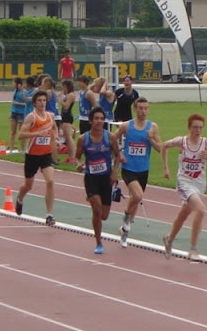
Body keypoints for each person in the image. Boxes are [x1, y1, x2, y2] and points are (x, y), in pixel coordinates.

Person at [161, 113, 207, 261]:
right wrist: (166, 168)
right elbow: (164, 146)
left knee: (184, 215)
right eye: (195, 127)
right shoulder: (181, 142)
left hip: (199, 183)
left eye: (200, 127)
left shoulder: (206, 143)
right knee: (200, 210)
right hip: (184, 182)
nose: (198, 130)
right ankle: (193, 248)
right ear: (189, 127)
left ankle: (169, 240)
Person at [74, 106, 124, 254]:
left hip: (106, 178)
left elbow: (117, 156)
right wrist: (78, 165)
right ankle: (99, 242)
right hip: (91, 178)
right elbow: (76, 157)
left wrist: (115, 172)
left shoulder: (110, 137)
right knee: (96, 209)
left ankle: (94, 201)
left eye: (102, 119)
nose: (99, 121)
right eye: (96, 118)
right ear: (91, 121)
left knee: (104, 215)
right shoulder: (84, 139)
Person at [113, 97, 161, 248]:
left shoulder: (152, 127)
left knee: (134, 200)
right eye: (140, 108)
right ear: (135, 109)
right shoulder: (127, 126)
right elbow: (112, 139)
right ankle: (126, 217)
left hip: (143, 169)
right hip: (129, 169)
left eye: (146, 108)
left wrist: (151, 139)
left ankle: (124, 232)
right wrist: (119, 154)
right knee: (138, 196)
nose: (143, 111)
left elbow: (160, 148)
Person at [15, 90, 59, 226]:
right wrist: (37, 133)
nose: (42, 103)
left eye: (44, 100)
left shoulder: (50, 116)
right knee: (28, 186)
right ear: (34, 103)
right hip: (32, 156)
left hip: (45, 155)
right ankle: (20, 198)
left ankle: (49, 215)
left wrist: (56, 139)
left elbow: (55, 128)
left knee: (50, 181)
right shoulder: (31, 117)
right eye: (39, 101)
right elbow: (21, 135)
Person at [60, 79, 77, 163]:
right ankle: (70, 156)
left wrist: (60, 99)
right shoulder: (67, 95)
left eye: (63, 86)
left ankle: (73, 156)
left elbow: (66, 106)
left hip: (67, 116)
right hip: (64, 116)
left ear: (66, 86)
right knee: (66, 138)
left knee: (69, 138)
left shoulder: (71, 95)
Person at [9, 76, 26, 152]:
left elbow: (26, 103)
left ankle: (22, 149)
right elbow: (13, 101)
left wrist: (17, 103)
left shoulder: (23, 91)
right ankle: (11, 148)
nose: (13, 84)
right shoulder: (15, 91)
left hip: (21, 113)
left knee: (21, 132)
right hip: (14, 112)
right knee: (12, 132)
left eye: (14, 82)